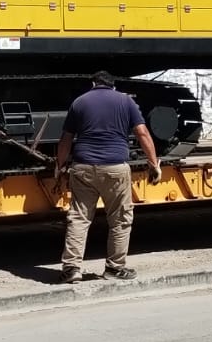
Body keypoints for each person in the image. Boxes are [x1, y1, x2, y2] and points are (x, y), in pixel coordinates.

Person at [55, 71, 162, 283]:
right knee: (120, 219)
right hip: (115, 168)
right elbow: (142, 134)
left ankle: (72, 269)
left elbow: (66, 139)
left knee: (79, 218)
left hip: (83, 167)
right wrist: (153, 164)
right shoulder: (125, 101)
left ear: (93, 83)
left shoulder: (79, 102)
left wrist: (59, 167)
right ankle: (114, 267)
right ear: (113, 86)